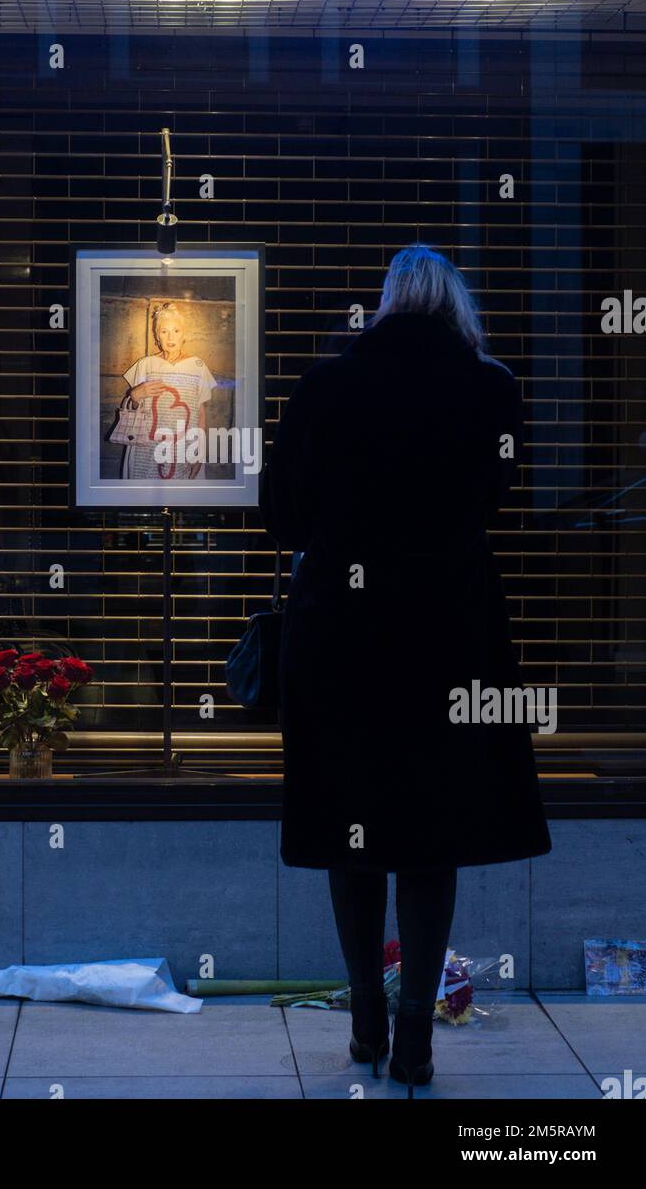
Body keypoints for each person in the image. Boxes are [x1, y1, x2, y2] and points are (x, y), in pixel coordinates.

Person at [259, 244, 552, 1095]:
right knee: (434, 832)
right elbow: (507, 498)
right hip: (447, 633)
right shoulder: (491, 388)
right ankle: (416, 1036)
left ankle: (364, 1025)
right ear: (455, 304)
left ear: (382, 304)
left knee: (350, 832)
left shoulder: (323, 388)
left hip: (340, 636)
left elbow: (281, 516)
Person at [119, 303, 216, 481]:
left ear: (184, 334)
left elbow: (200, 413)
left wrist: (199, 452)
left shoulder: (197, 366)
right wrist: (135, 395)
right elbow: (134, 408)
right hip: (146, 448)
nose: (170, 337)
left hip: (182, 447)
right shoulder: (145, 364)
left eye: (176, 331)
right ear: (157, 336)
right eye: (164, 331)